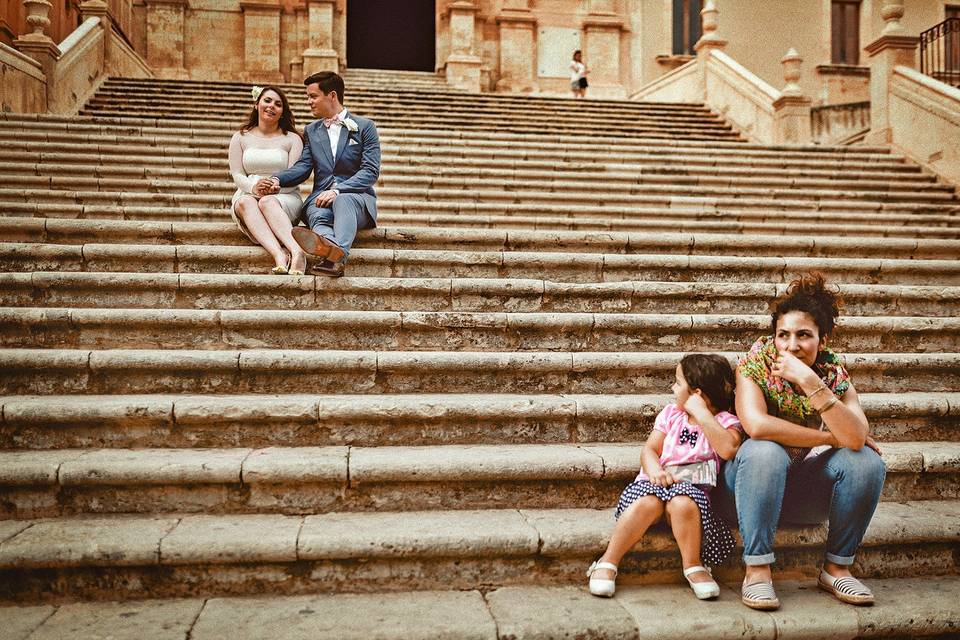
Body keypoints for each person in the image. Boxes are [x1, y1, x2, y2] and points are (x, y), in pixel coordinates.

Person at [715, 273, 886, 610]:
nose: (792, 346)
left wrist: (811, 382)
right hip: (744, 488)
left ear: (823, 341)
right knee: (765, 450)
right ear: (773, 337)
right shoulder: (754, 366)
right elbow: (757, 425)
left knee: (866, 460)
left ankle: (837, 568)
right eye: (784, 335)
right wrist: (828, 437)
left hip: (795, 490)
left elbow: (855, 437)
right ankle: (758, 570)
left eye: (804, 335)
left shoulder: (832, 374)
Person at [587, 354, 743, 600]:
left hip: (690, 495)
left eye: (678, 383)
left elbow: (727, 449)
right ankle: (608, 561)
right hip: (654, 485)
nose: (672, 388)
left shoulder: (725, 421)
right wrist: (655, 471)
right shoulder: (671, 414)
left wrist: (702, 415)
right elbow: (650, 450)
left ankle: (693, 565)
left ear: (697, 394)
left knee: (682, 504)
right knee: (647, 503)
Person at [256, 71, 380, 277]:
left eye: (313, 96)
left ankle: (335, 254)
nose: (309, 102)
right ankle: (333, 253)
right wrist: (277, 178)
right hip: (319, 200)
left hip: (357, 199)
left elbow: (370, 171)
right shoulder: (312, 131)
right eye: (308, 97)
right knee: (318, 216)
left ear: (332, 95)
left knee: (343, 201)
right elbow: (303, 166)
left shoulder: (365, 127)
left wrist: (338, 191)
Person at [229, 85, 306, 275]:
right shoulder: (240, 137)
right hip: (249, 191)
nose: (272, 106)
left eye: (278, 104)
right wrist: (254, 187)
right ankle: (279, 254)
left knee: (268, 201)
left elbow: (295, 175)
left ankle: (297, 251)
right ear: (257, 104)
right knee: (245, 202)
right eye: (267, 101)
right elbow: (237, 174)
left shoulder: (293, 139)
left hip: (284, 195)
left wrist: (275, 187)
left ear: (282, 112)